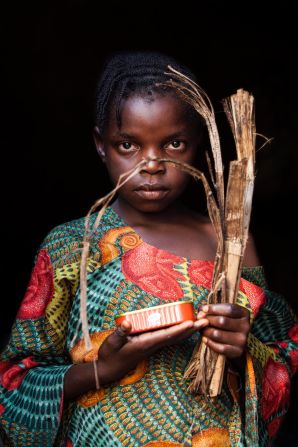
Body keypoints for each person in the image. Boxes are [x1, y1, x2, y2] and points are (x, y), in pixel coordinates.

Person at [0, 51, 297, 447]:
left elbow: (282, 356)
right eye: (128, 145)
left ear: (198, 147)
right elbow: (14, 382)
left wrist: (244, 348)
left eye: (174, 143)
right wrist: (105, 368)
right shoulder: (73, 245)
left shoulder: (230, 245)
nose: (152, 164)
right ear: (101, 145)